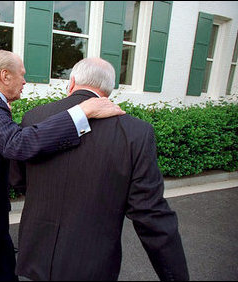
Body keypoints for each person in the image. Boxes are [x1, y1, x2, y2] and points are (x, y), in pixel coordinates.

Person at [0, 50, 126, 281]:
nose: (25, 81)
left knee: (6, 270)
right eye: (21, 75)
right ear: (5, 76)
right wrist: (82, 112)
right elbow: (19, 144)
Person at [10, 57, 190, 281]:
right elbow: (149, 213)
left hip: (36, 256)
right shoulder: (136, 133)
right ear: (109, 91)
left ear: (72, 82)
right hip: (92, 264)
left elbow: (17, 179)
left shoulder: (34, 117)